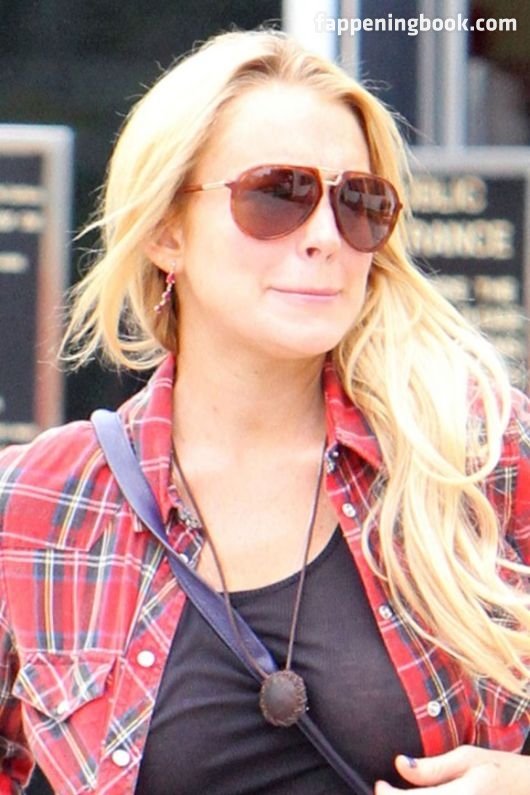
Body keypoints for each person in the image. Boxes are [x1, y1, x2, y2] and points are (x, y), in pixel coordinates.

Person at [0, 27, 529, 795]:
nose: (325, 237)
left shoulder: (474, 457)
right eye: (278, 194)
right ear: (167, 231)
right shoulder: (37, 504)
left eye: (359, 202)